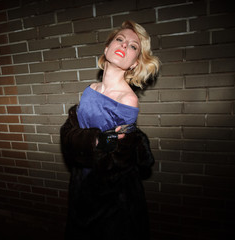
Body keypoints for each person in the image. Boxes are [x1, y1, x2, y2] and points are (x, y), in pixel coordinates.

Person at [60, 20, 160, 240]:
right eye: (120, 39)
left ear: (134, 63)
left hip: (111, 196)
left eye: (133, 46)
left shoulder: (128, 100)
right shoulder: (90, 89)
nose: (124, 46)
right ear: (106, 49)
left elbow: (119, 157)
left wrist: (89, 143)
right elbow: (71, 131)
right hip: (81, 182)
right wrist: (95, 142)